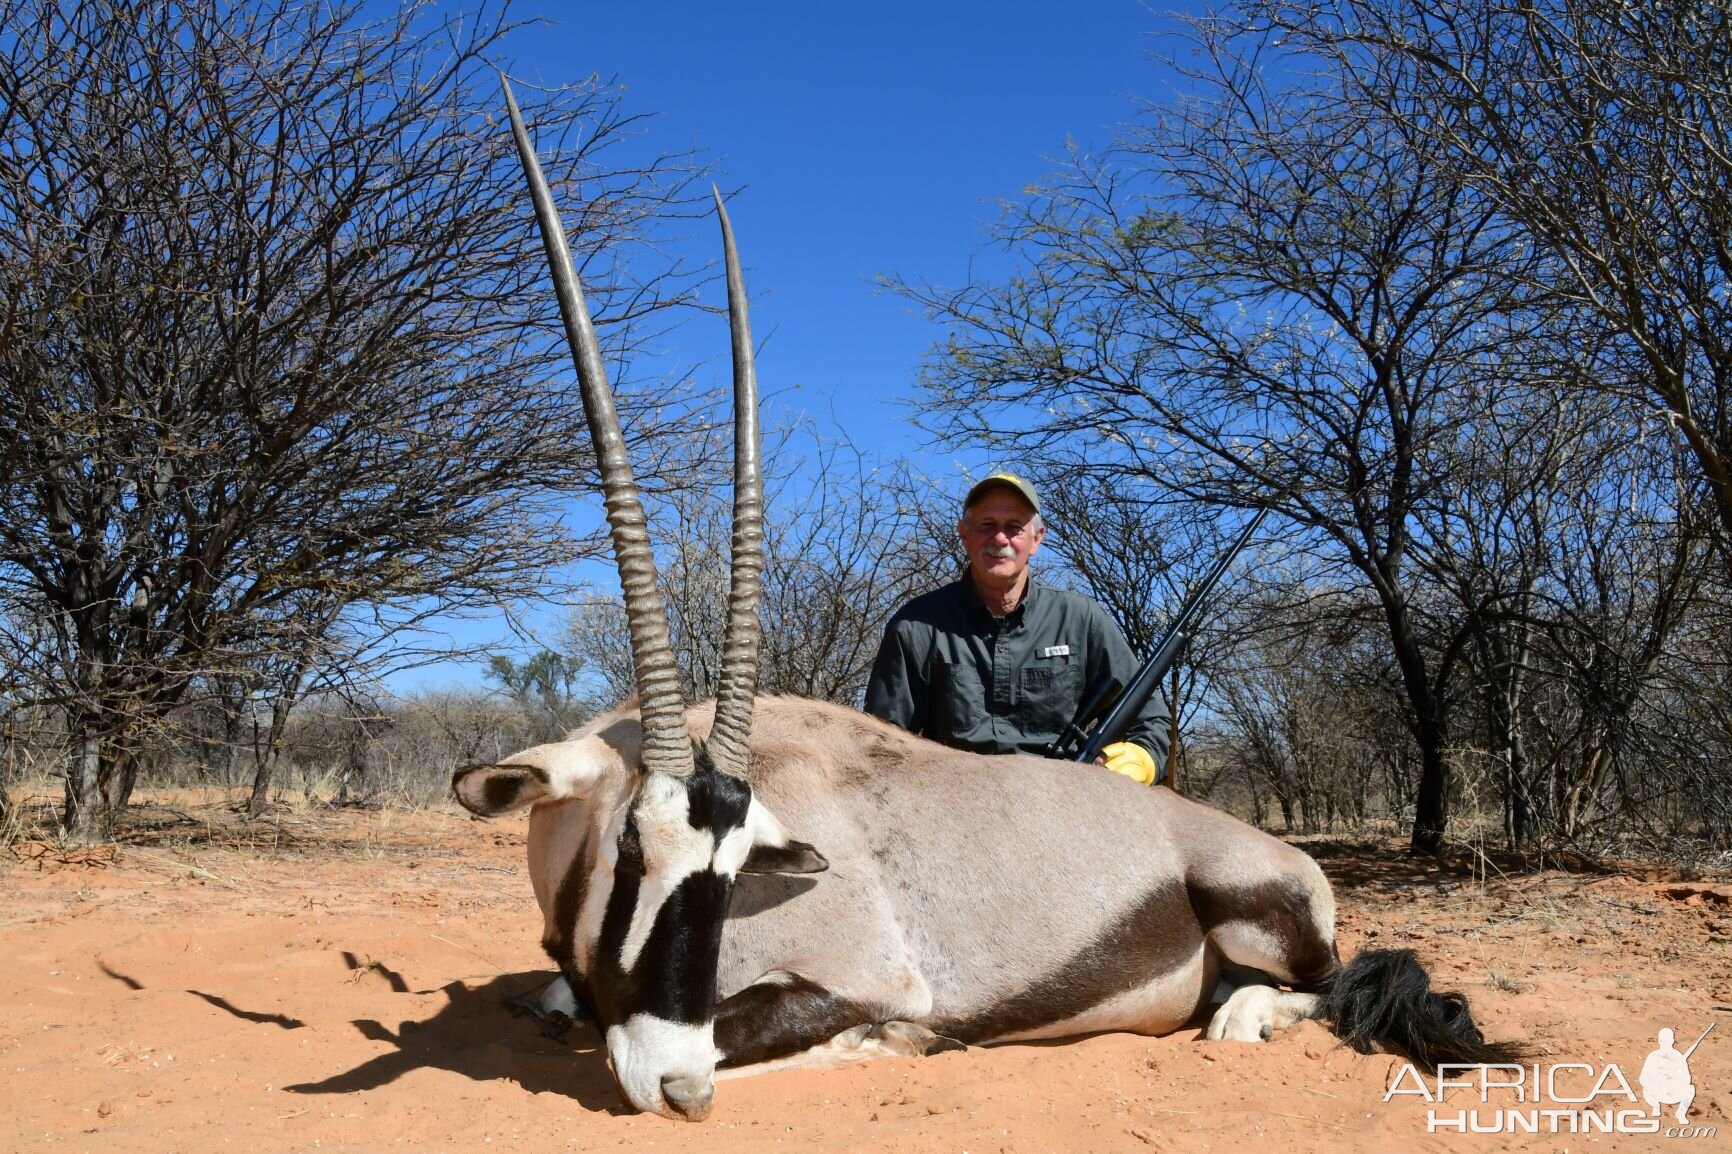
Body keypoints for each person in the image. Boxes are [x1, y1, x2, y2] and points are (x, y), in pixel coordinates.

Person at [865, 472, 1170, 783]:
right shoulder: (914, 625)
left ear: (1036, 539)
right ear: (964, 534)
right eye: (987, 525)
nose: (1000, 539)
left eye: (1014, 527)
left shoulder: (1083, 619)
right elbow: (882, 745)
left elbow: (1150, 723)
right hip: (952, 805)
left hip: (1066, 804)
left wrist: (1117, 766)